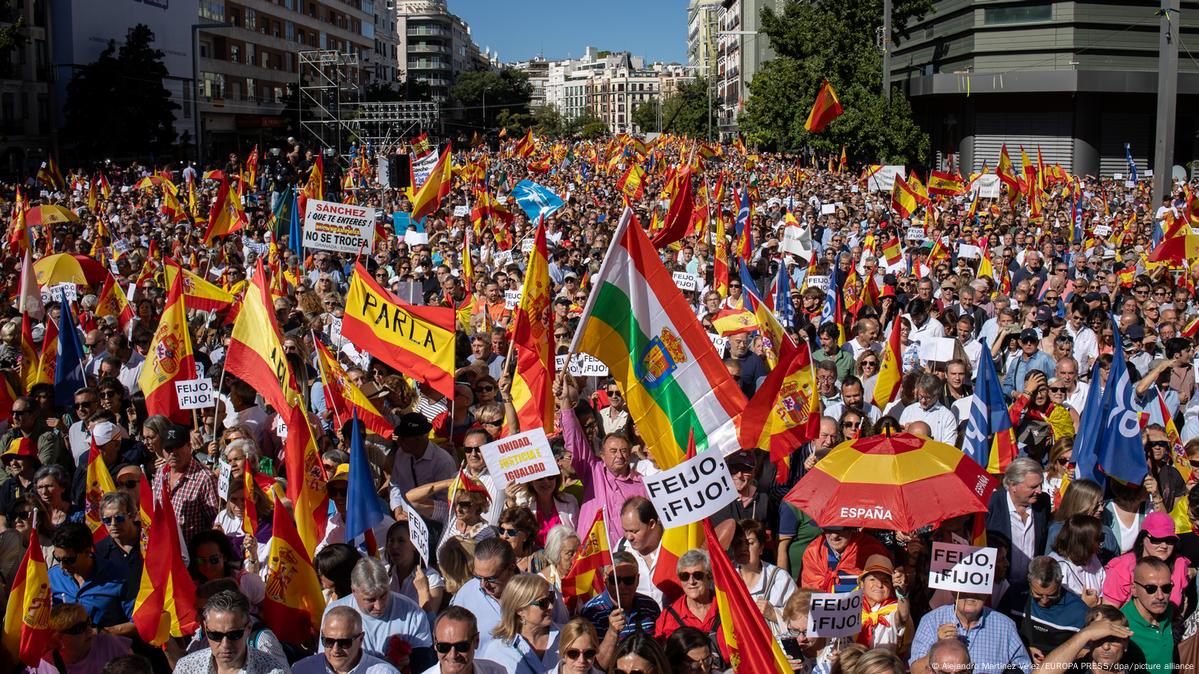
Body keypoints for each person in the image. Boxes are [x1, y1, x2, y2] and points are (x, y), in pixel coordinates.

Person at [558, 373, 646, 547]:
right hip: (592, 556)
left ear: (630, 454)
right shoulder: (593, 470)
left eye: (623, 451)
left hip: (625, 559)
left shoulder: (641, 484)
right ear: (603, 456)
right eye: (613, 451)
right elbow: (574, 439)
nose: (619, 456)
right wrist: (565, 402)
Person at [323, 557, 436, 672]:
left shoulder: (413, 614)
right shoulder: (334, 615)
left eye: (383, 596)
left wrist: (409, 663)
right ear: (354, 591)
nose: (379, 606)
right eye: (370, 599)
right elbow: (326, 664)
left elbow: (425, 667)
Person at [909, 592, 1031, 674]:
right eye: (965, 590)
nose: (971, 594)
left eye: (977, 590)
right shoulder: (931, 620)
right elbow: (915, 670)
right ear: (953, 591)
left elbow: (1025, 669)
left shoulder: (1005, 626)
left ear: (987, 592)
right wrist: (938, 646)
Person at [48, 522, 135, 636]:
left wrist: (102, 632)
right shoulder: (53, 576)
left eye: (69, 560)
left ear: (87, 552)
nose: (62, 566)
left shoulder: (119, 577)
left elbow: (139, 623)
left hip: (105, 649)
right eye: (57, 558)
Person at [174, 590, 289, 674]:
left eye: (234, 635)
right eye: (216, 635)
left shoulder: (274, 670)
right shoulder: (187, 668)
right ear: (205, 628)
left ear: (248, 628)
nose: (225, 644)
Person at [578, 551, 660, 668]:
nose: (621, 586)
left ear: (637, 579)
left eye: (628, 580)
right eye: (615, 580)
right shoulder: (591, 611)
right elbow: (595, 667)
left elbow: (659, 655)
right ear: (605, 579)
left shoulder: (650, 607)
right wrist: (612, 633)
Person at [1004, 556, 1088, 665]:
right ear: (1029, 581)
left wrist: (1056, 662)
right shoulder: (1015, 596)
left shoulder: (1078, 610)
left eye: (1052, 595)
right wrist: (1024, 650)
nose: (1044, 601)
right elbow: (1000, 633)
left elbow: (1087, 649)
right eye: (1038, 595)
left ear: (1060, 582)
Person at [1101, 512, 1189, 608]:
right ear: (1142, 538)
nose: (1164, 546)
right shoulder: (1122, 567)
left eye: (1170, 540)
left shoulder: (1179, 563)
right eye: (1157, 539)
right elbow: (1108, 613)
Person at [984, 457, 1049, 585]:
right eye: (1033, 487)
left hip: (1030, 588)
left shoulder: (1043, 503)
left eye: (1041, 485)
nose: (1039, 490)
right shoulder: (991, 505)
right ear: (1013, 485)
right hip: (997, 586)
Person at [478, 574, 561, 674]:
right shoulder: (498, 651)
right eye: (543, 603)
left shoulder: (568, 637)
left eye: (551, 598)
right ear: (520, 610)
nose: (551, 606)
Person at [150, 425, 218, 546]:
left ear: (189, 446)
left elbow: (214, 524)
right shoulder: (161, 472)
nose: (173, 453)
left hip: (191, 554)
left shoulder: (204, 479)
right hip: (165, 549)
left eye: (178, 447)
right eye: (168, 448)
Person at [654, 550, 723, 664]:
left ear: (709, 576)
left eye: (698, 575)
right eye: (684, 576)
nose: (691, 581)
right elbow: (661, 659)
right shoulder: (667, 617)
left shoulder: (728, 607)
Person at [29, 602, 133, 674]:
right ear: (60, 638)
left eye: (88, 622)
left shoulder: (111, 645)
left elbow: (138, 668)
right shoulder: (43, 666)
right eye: (79, 628)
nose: (89, 631)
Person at [294, 606, 400, 674]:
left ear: (361, 639)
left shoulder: (385, 672)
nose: (335, 649)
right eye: (329, 641)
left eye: (344, 642)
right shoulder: (301, 669)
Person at [1038, 605, 1134, 673]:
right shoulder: (1074, 669)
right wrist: (1085, 634)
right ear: (1089, 640)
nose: (1106, 646)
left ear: (1125, 643)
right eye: (1099, 639)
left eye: (1113, 639)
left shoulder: (1136, 669)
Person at [1121, 557, 1175, 672]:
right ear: (1134, 589)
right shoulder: (1121, 624)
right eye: (1150, 588)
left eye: (1166, 588)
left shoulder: (1170, 610)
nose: (1160, 596)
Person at [800, 526, 890, 593]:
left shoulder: (871, 549)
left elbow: (882, 588)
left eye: (840, 529)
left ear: (851, 528)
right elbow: (809, 593)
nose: (834, 536)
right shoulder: (814, 552)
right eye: (829, 529)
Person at [422, 606, 505, 674]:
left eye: (461, 646)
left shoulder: (496, 671)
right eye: (444, 647)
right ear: (435, 643)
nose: (453, 655)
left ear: (476, 641)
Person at [856, 554, 911, 652]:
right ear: (862, 584)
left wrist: (902, 592)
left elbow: (902, 616)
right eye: (873, 579)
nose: (879, 585)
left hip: (884, 666)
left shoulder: (893, 609)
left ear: (891, 587)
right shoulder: (850, 607)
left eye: (885, 581)